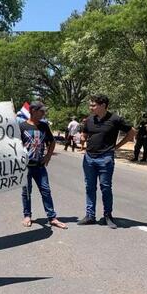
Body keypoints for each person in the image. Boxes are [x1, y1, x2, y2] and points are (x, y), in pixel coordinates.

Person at [77, 94, 136, 228]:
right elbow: (85, 135)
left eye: (93, 105)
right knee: (89, 187)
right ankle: (90, 215)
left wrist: (117, 146)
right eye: (90, 105)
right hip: (89, 158)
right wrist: (82, 137)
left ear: (103, 105)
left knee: (106, 188)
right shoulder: (89, 119)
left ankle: (108, 215)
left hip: (105, 158)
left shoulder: (115, 119)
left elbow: (132, 132)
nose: (90, 107)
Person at [19, 101, 67, 229]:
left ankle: (52, 217)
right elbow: (14, 145)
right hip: (25, 167)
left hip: (40, 166)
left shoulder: (44, 126)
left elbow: (52, 142)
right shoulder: (21, 126)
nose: (43, 113)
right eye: (41, 111)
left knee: (45, 190)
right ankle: (27, 215)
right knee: (26, 192)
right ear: (33, 111)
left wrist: (48, 156)